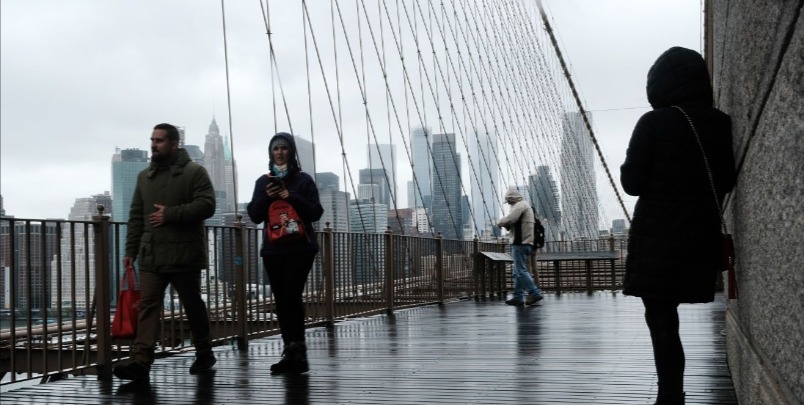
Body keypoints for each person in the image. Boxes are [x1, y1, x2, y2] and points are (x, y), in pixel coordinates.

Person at [620, 47, 736, 405]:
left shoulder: (654, 122)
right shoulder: (720, 123)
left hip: (658, 237)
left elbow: (632, 183)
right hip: (699, 234)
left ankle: (670, 396)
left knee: (661, 317)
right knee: (667, 312)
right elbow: (727, 179)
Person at [113, 123, 218, 381]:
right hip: (152, 255)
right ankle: (140, 361)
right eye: (152, 140)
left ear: (174, 144)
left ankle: (204, 352)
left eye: (159, 140)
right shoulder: (143, 177)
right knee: (147, 306)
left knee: (192, 305)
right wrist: (131, 250)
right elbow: (136, 215)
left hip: (184, 254)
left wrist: (170, 214)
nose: (153, 145)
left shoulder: (195, 172)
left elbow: (208, 205)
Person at [247, 132, 323, 374]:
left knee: (291, 295)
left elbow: (315, 212)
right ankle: (289, 352)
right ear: (271, 153)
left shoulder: (304, 181)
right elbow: (254, 215)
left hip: (300, 248)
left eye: (284, 148)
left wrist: (291, 196)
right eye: (275, 149)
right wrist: (266, 198)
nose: (279, 152)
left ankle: (299, 353)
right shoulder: (263, 182)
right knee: (281, 301)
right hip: (273, 249)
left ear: (291, 152)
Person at [497, 188, 544, 306]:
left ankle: (534, 292)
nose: (508, 203)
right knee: (517, 271)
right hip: (527, 242)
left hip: (520, 242)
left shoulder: (519, 206)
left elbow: (510, 219)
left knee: (521, 270)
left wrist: (500, 222)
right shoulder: (525, 205)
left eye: (508, 201)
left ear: (512, 199)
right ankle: (518, 296)